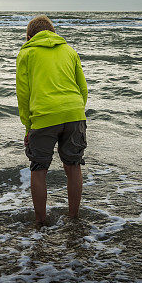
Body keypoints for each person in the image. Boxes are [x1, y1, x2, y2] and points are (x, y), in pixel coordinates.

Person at [16, 15, 88, 225]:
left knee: (39, 169)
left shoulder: (27, 52)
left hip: (44, 115)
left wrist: (28, 127)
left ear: (29, 37)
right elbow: (82, 89)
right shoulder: (69, 50)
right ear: (53, 32)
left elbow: (23, 94)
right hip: (74, 113)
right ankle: (73, 218)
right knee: (73, 166)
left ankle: (41, 221)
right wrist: (75, 112)